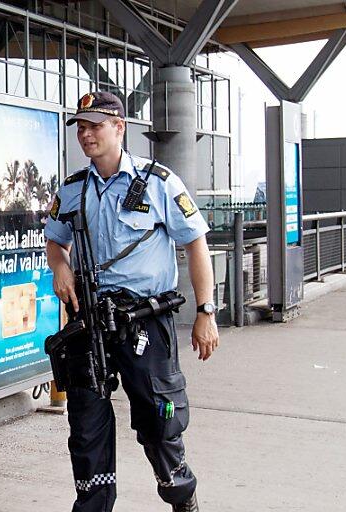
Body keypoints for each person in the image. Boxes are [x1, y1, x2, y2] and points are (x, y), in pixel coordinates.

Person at [44, 91, 219, 512]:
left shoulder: (158, 181)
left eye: (95, 126)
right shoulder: (72, 190)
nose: (86, 134)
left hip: (145, 319)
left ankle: (181, 494)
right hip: (89, 323)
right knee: (86, 426)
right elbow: (55, 239)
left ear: (119, 127)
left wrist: (205, 312)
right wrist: (59, 266)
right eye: (81, 128)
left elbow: (196, 244)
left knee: (158, 421)